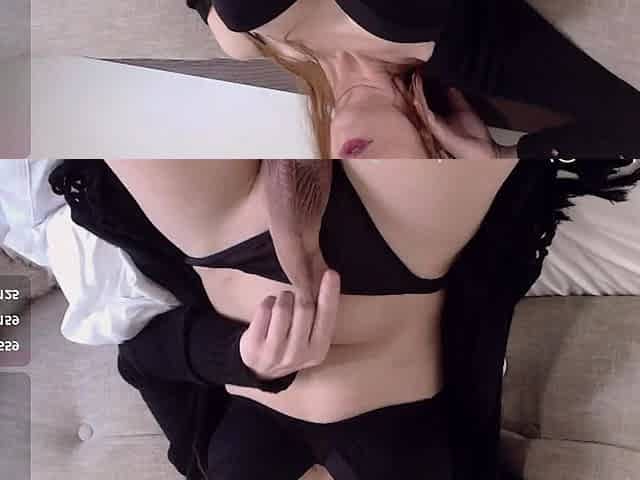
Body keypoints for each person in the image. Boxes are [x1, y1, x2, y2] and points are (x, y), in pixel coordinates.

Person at [49, 158, 640, 480]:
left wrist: (243, 360)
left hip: (219, 238)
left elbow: (142, 362)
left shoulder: (199, 468)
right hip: (397, 250)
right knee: (438, 49)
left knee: (115, 62)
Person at [186, 0, 640, 161]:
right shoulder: (469, 53)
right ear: (433, 148)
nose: (363, 171)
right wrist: (502, 157)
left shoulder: (248, 47)